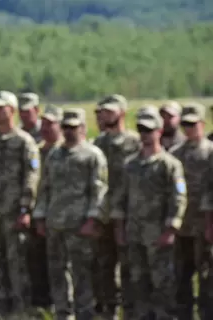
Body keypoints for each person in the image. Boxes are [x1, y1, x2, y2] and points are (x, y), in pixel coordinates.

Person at [111, 105, 186, 319]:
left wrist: (171, 228)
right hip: (134, 234)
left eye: (149, 130)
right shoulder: (130, 165)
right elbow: (120, 198)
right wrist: (119, 228)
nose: (145, 134)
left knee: (162, 283)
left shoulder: (169, 164)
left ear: (159, 131)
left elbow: (178, 198)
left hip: (158, 235)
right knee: (137, 281)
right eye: (141, 130)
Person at [33, 108, 108, 320]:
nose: (68, 131)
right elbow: (45, 187)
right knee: (57, 271)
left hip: (79, 225)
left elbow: (99, 190)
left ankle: (85, 313)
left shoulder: (92, 155)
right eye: (65, 127)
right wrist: (40, 216)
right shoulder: (55, 154)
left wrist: (93, 219)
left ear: (83, 128)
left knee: (81, 272)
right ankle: (63, 312)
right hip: (55, 223)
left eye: (73, 127)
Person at [0, 96, 40, 317]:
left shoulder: (24, 141)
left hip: (14, 212)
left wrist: (25, 208)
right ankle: (1, 308)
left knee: (17, 264)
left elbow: (31, 176)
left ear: (12, 110)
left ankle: (20, 310)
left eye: (0, 108)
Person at [91, 95, 141, 319]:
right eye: (102, 111)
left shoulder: (135, 142)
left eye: (109, 111)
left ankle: (130, 311)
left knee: (130, 267)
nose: (104, 115)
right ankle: (108, 311)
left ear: (122, 113)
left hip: (129, 216)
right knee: (103, 266)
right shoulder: (99, 143)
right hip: (104, 215)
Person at [170, 103, 213, 320]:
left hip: (203, 227)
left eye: (192, 124)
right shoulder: (175, 153)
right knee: (181, 276)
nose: (188, 128)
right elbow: (172, 189)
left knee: (206, 278)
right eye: (184, 124)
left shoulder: (210, 152)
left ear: (202, 124)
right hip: (181, 227)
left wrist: (209, 224)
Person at [29, 104, 64, 312]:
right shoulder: (37, 150)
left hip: (61, 218)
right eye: (43, 124)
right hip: (39, 215)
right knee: (37, 261)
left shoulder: (66, 152)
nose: (45, 128)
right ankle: (42, 303)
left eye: (50, 124)